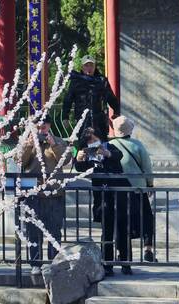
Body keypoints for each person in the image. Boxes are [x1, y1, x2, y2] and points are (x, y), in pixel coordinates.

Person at [74, 128, 134, 276]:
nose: (93, 143)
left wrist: (107, 154)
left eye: (95, 140)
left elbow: (118, 155)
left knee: (122, 228)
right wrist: (78, 159)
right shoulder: (87, 153)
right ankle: (107, 264)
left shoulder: (109, 146)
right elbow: (80, 168)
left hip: (119, 193)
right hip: (102, 196)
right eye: (90, 141)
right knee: (106, 230)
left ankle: (126, 263)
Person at [20, 116, 70, 275]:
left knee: (55, 229)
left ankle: (54, 262)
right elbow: (19, 161)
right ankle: (35, 262)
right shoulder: (27, 141)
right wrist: (28, 145)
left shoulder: (58, 140)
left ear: (49, 126)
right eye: (38, 127)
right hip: (33, 193)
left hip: (54, 193)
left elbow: (66, 160)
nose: (41, 130)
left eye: (44, 127)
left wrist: (54, 145)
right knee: (33, 230)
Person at [109, 116, 156, 262]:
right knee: (146, 218)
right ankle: (148, 249)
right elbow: (147, 167)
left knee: (121, 222)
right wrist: (149, 184)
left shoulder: (109, 145)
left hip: (118, 190)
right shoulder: (138, 145)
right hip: (138, 188)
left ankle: (122, 253)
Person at [62, 55, 120, 145]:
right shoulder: (76, 81)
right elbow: (68, 99)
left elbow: (110, 97)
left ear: (95, 66)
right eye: (86, 65)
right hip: (82, 119)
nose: (89, 68)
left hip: (98, 119)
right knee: (84, 144)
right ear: (82, 67)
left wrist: (116, 112)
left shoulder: (101, 80)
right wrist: (65, 116)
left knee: (101, 144)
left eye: (91, 65)